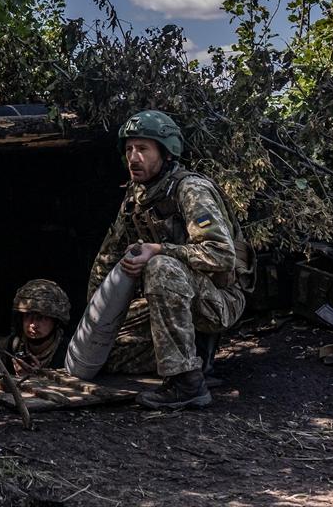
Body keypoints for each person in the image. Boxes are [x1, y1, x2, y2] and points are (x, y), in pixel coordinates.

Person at [87, 109, 255, 409]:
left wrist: (161, 250)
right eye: (129, 149)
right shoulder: (137, 197)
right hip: (177, 297)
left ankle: (187, 382)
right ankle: (193, 355)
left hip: (219, 298)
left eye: (143, 149)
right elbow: (107, 256)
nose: (133, 157)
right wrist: (94, 321)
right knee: (106, 353)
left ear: (165, 153)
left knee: (160, 267)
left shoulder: (191, 190)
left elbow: (222, 255)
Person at [0, 279, 71, 374]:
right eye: (27, 316)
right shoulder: (6, 348)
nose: (33, 324)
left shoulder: (69, 355)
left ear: (56, 322)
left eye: (41, 317)